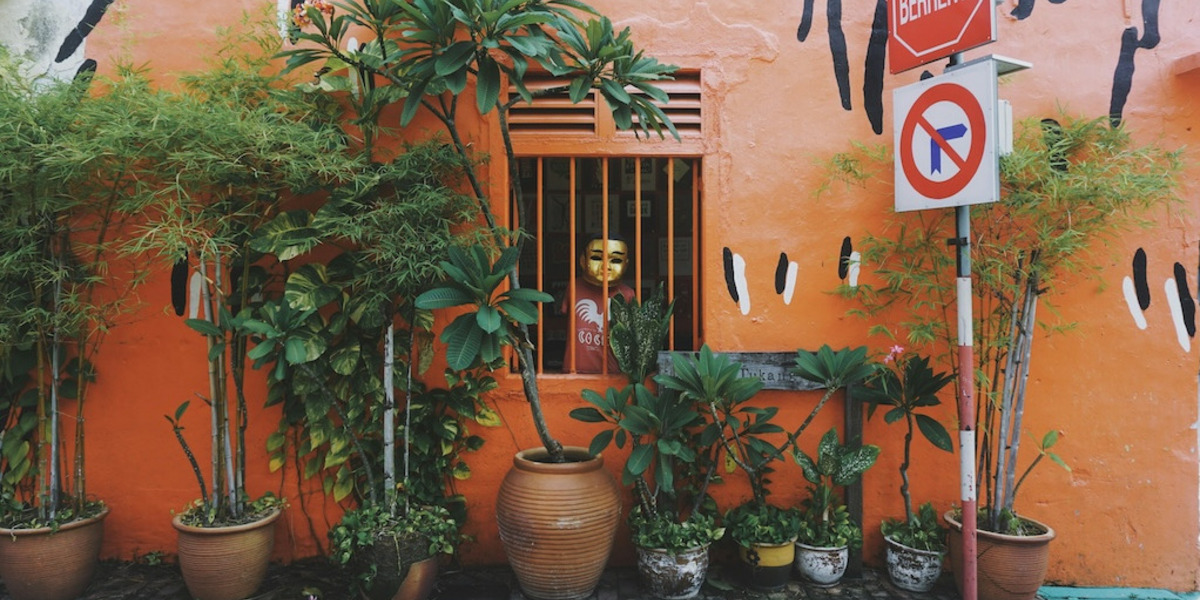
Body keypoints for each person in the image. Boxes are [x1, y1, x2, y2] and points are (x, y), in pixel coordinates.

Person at [561, 236, 635, 374]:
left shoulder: (628, 294)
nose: (605, 266)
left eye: (616, 260)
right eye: (597, 258)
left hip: (614, 373)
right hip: (575, 368)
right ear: (583, 261)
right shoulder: (574, 287)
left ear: (626, 264)